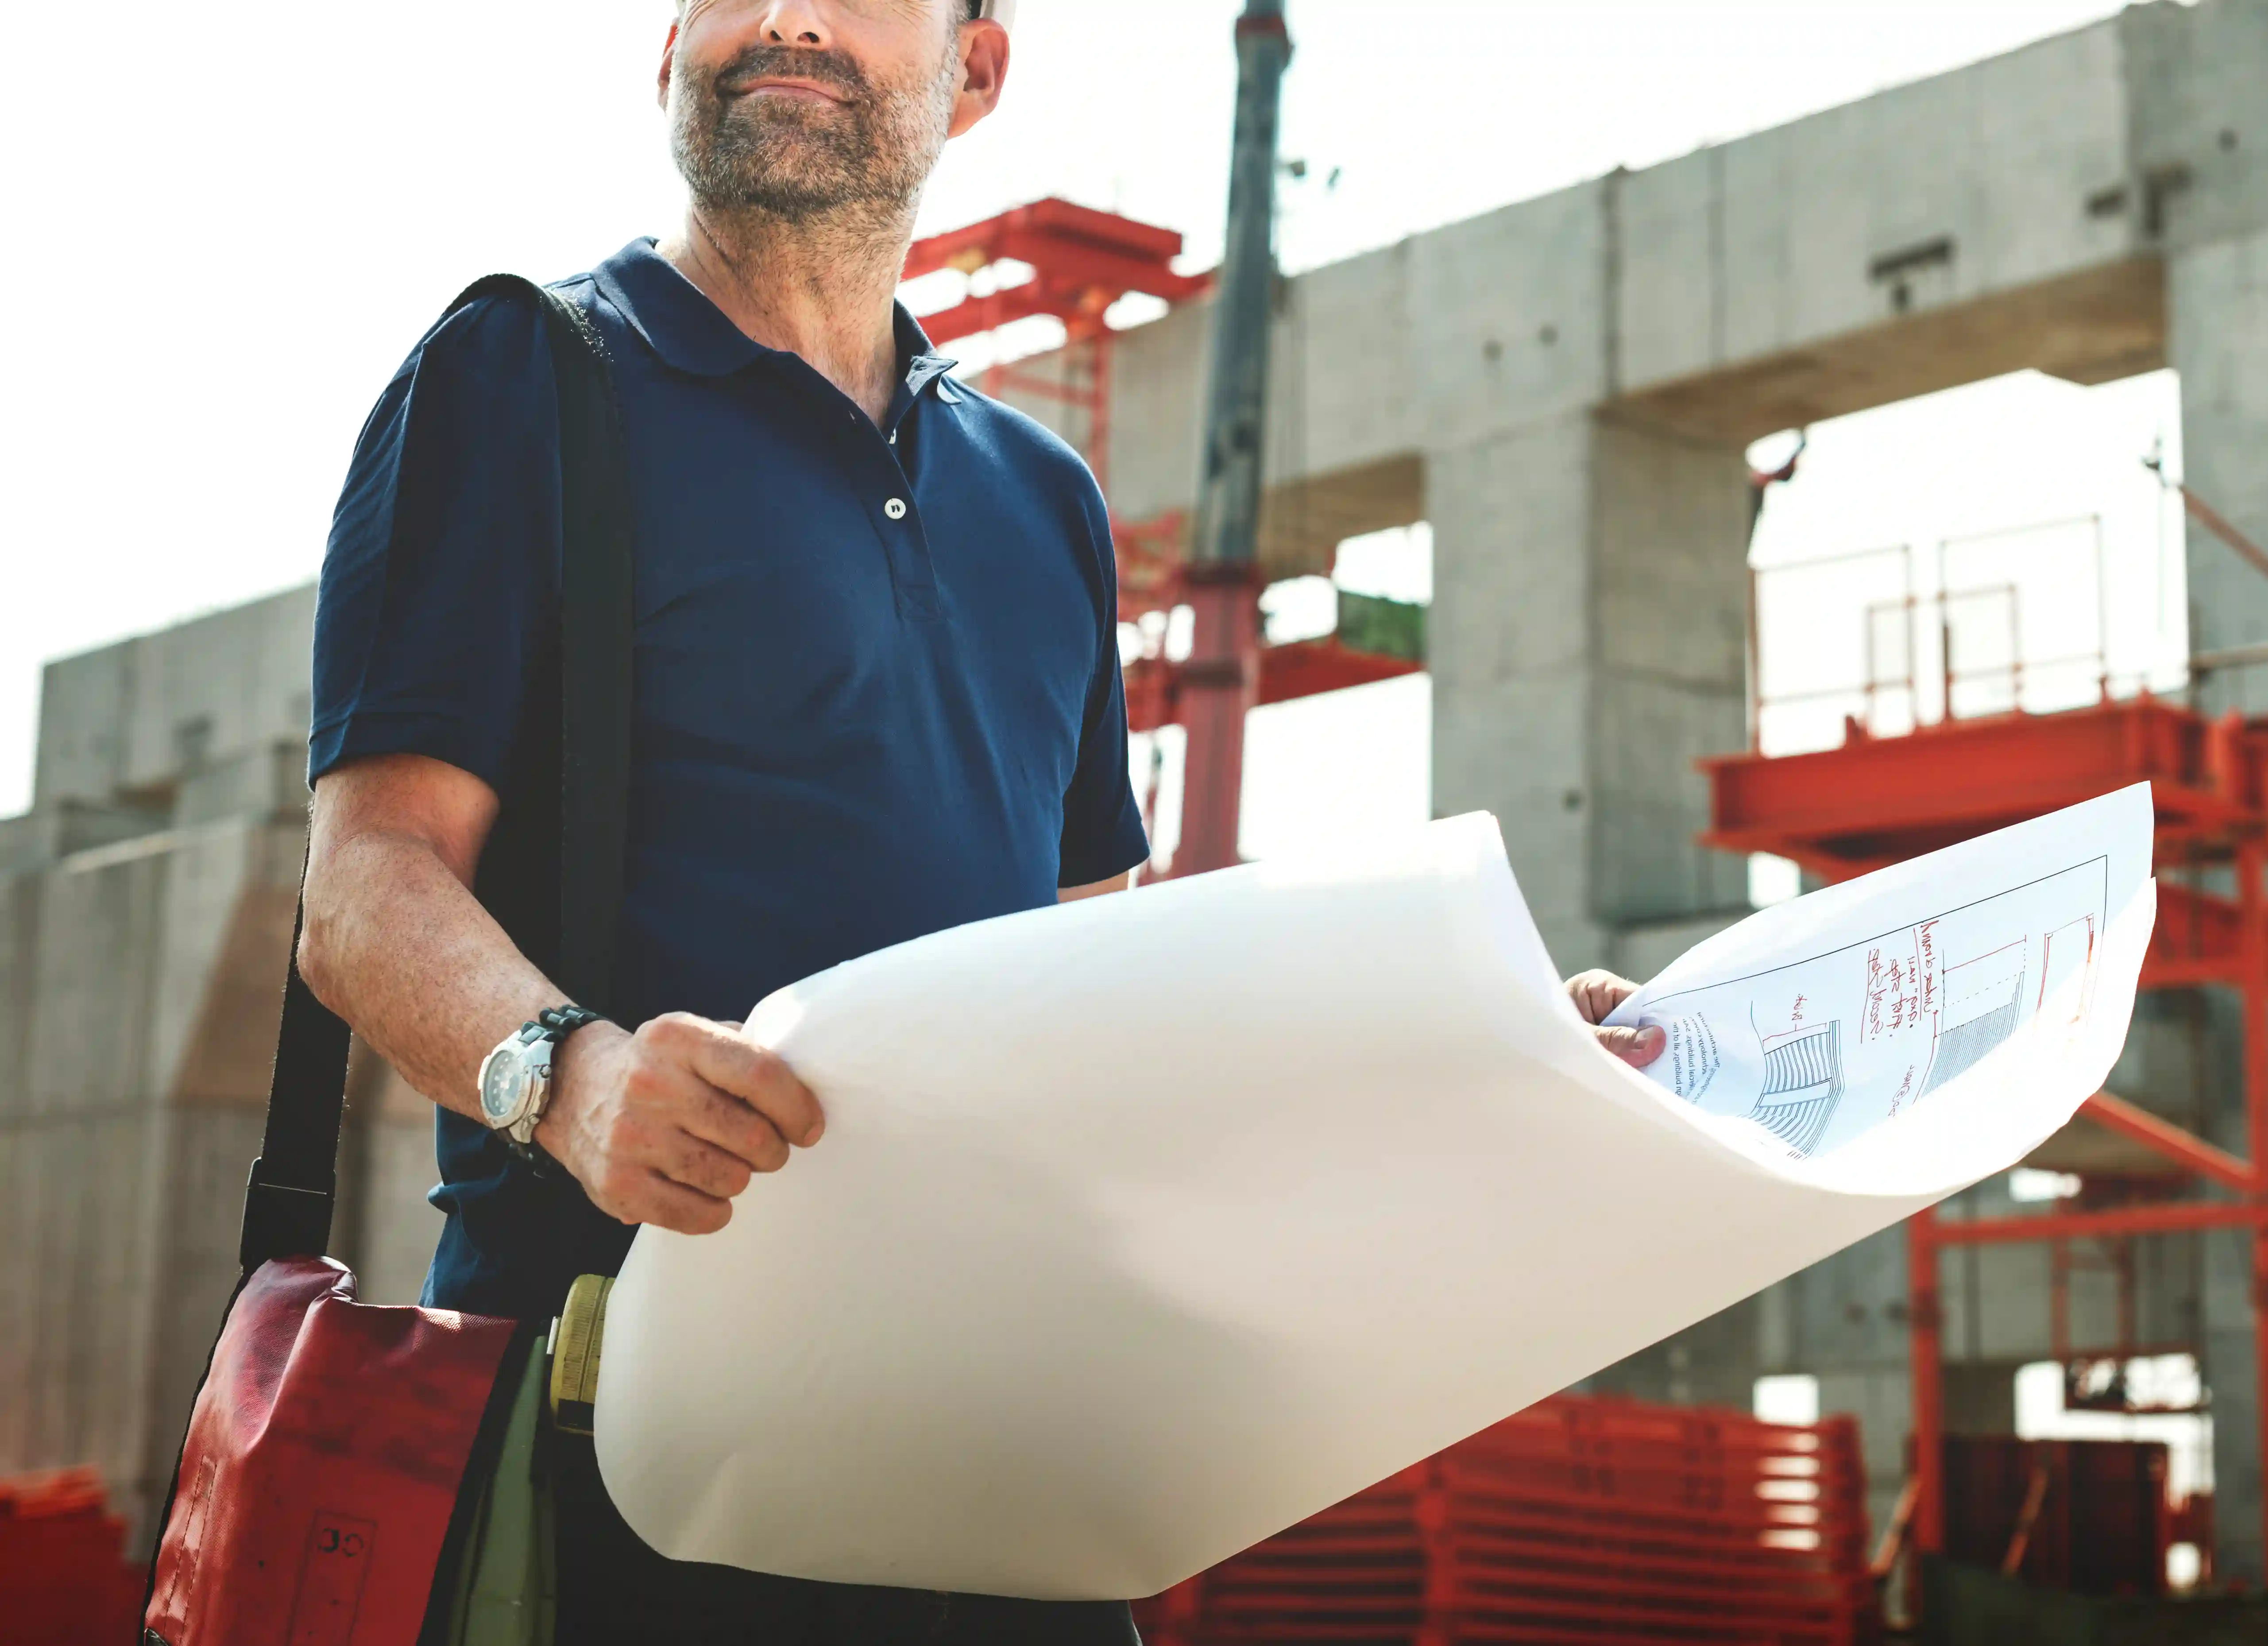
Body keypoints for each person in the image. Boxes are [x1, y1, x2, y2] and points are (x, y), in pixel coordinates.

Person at [297, 2, 1661, 1640]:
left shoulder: (1044, 504)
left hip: (1007, 1479)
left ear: (980, 70)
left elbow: (1119, 1005)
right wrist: (569, 1074)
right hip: (634, 1477)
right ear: (666, 47)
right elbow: (363, 883)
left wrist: (1474, 1041)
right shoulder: (521, 376)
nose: (792, 14)